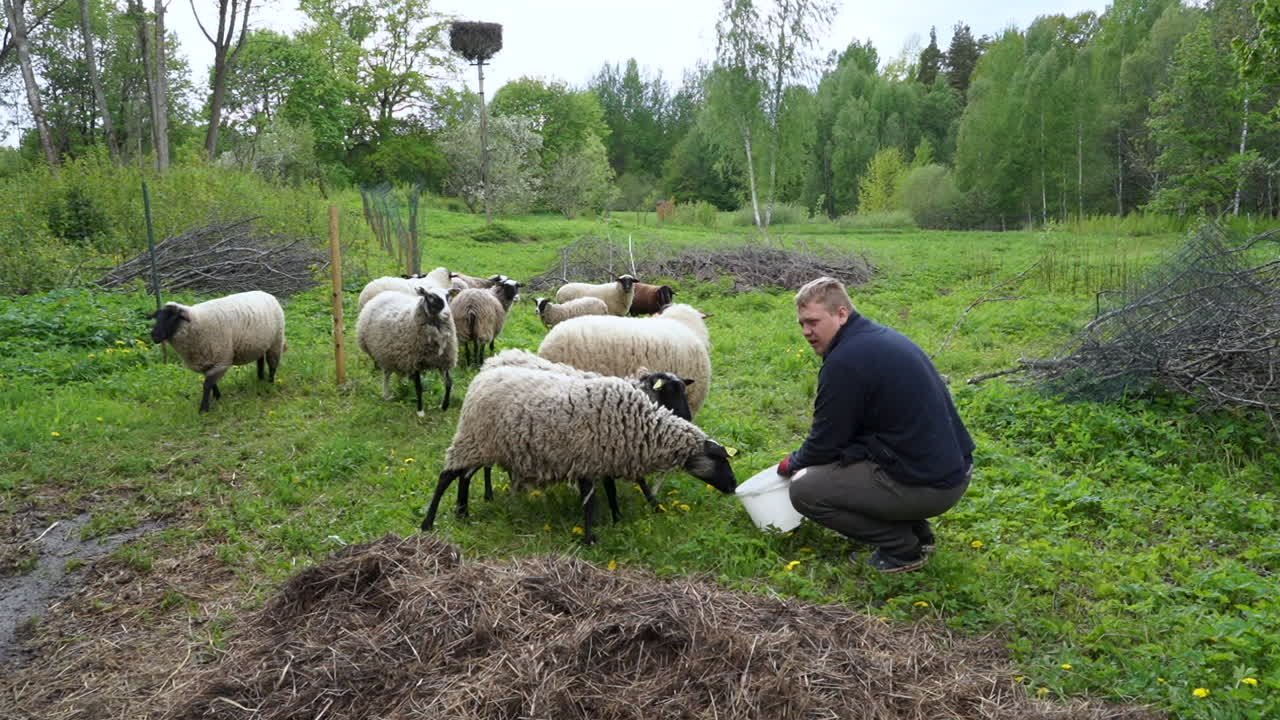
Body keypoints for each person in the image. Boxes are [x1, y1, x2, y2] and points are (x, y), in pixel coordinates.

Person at [778, 276, 974, 573]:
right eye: (802, 324)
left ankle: (903, 548)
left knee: (806, 488)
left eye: (814, 322)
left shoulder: (846, 360)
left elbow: (825, 444)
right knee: (846, 466)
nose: (807, 331)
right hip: (951, 469)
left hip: (933, 485)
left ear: (841, 314)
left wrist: (792, 463)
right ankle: (919, 534)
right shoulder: (876, 338)